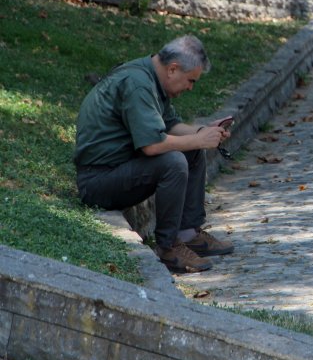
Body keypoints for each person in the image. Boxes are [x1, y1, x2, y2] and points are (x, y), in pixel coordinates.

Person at [74, 35, 235, 273]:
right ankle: (168, 249)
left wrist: (204, 132)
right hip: (98, 182)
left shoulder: (150, 77)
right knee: (173, 161)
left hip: (121, 169)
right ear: (173, 69)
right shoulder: (138, 84)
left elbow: (170, 126)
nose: (191, 87)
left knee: (190, 151)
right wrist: (198, 139)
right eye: (191, 80)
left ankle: (189, 234)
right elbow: (152, 145)